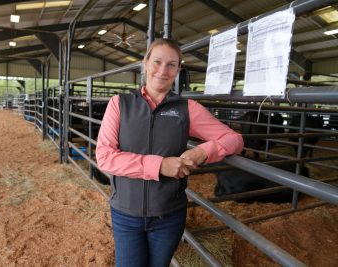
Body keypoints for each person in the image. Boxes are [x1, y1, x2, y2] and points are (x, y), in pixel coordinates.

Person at [96, 38, 243, 267]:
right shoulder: (120, 104)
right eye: (157, 62)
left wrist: (203, 151)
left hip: (168, 215)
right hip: (126, 214)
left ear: (178, 70)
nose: (162, 71)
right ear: (145, 63)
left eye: (171, 65)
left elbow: (234, 139)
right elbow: (104, 156)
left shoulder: (187, 109)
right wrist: (159, 165)